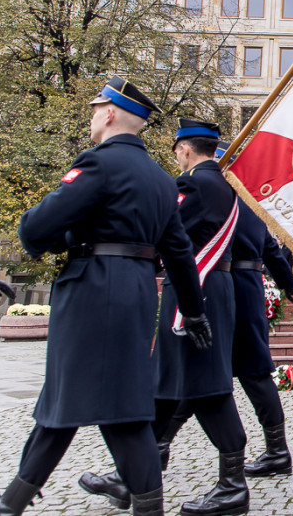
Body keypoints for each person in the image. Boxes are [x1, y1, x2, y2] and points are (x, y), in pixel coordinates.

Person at [0, 77, 210, 516]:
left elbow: (37, 228)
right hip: (136, 292)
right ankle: (11, 504)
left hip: (94, 288)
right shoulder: (161, 179)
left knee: (86, 404)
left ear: (111, 113)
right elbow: (179, 253)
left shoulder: (99, 163)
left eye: (97, 108)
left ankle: (9, 506)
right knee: (106, 406)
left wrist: (53, 236)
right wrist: (193, 312)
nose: (92, 115)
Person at [79, 118, 250, 516]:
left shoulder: (193, 184)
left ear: (184, 149)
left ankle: (232, 486)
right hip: (212, 287)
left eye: (176, 152)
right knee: (168, 384)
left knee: (207, 387)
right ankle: (131, 475)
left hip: (195, 289)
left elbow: (167, 234)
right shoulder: (226, 184)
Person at [152, 143, 293, 482]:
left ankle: (159, 446)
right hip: (250, 287)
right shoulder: (250, 202)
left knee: (201, 370)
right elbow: (270, 247)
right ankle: (276, 450)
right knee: (253, 373)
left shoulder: (218, 198)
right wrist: (288, 284)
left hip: (225, 284)